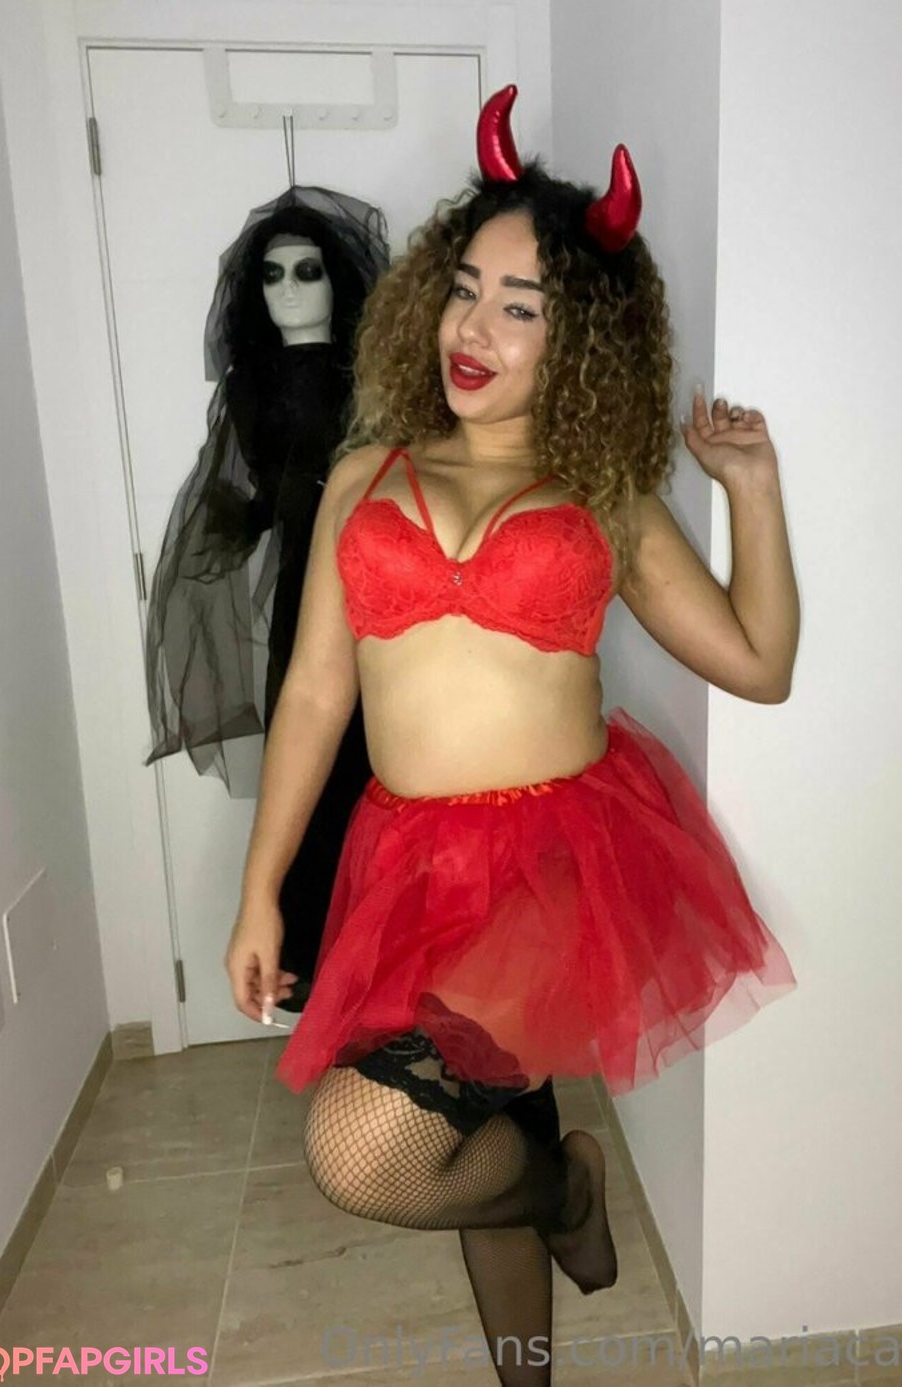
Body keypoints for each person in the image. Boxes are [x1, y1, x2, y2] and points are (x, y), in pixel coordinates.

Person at [226, 87, 799, 1384]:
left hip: (551, 866)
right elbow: (315, 694)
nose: (472, 327)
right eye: (464, 288)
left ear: (577, 338)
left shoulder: (603, 494)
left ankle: (560, 1192)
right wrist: (262, 885)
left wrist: (753, 492)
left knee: (366, 1148)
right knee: (488, 1127)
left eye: (520, 306)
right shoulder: (365, 475)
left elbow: (759, 663)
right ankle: (546, 1241)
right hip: (407, 862)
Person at [142, 186, 388, 1006]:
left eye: (308, 271)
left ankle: (389, 969)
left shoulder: (373, 380)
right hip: (301, 598)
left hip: (377, 586)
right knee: (310, 760)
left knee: (379, 758)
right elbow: (254, 493)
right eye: (273, 274)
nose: (288, 288)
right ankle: (322, 965)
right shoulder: (250, 387)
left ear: (338, 282)